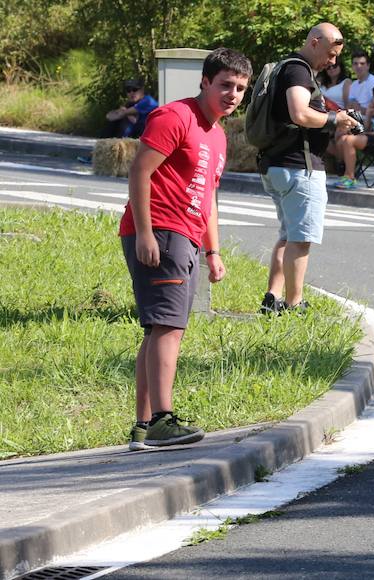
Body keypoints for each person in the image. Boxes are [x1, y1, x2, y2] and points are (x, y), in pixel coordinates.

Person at [118, 48, 252, 450]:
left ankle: (143, 425)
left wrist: (214, 251)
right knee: (169, 327)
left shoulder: (218, 134)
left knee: (158, 327)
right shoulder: (175, 117)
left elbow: (208, 195)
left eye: (240, 88)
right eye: (225, 84)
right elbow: (140, 170)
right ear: (205, 82)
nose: (232, 94)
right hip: (161, 229)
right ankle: (162, 419)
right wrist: (144, 233)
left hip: (188, 237)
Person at [258, 23, 357, 315]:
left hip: (277, 164)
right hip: (299, 167)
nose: (333, 61)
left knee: (288, 234)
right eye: (330, 53)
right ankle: (294, 303)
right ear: (314, 42)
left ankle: (272, 298)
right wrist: (333, 121)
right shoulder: (298, 70)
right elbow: (299, 113)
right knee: (300, 240)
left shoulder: (286, 68)